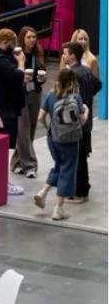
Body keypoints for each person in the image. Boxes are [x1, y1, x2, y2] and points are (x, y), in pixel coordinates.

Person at [33, 67, 89, 222]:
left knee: (59, 166)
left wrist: (49, 128)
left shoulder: (51, 95)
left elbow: (40, 117)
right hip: (70, 140)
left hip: (53, 138)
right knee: (68, 170)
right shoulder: (75, 97)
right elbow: (82, 120)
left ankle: (43, 193)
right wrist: (87, 111)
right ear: (73, 81)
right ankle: (58, 209)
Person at [0, 29, 27, 195]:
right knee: (2, 145)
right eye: (13, 43)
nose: (14, 46)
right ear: (6, 42)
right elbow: (17, 76)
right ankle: (1, 182)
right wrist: (21, 62)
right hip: (3, 108)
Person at [61, 41, 101, 204]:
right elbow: (98, 84)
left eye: (65, 53)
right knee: (82, 156)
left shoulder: (73, 74)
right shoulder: (86, 70)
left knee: (76, 158)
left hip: (76, 123)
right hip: (87, 122)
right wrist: (88, 98)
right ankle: (83, 190)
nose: (63, 55)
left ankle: (79, 192)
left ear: (72, 55)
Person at [11, 26, 45, 178]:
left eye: (34, 37)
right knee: (23, 130)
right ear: (22, 38)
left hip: (35, 93)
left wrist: (42, 79)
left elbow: (42, 71)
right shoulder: (17, 55)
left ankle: (16, 162)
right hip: (20, 94)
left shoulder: (38, 53)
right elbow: (12, 75)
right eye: (29, 37)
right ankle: (30, 166)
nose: (32, 40)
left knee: (30, 130)